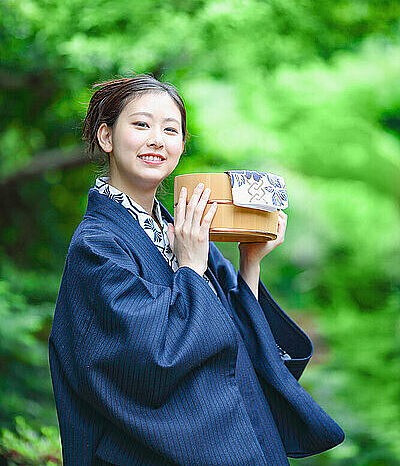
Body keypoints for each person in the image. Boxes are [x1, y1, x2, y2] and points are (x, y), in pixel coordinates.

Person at [48, 73, 345, 466]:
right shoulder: (98, 245)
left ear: (181, 145)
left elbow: (238, 343)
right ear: (106, 137)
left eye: (171, 130)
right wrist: (189, 267)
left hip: (236, 440)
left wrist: (250, 263)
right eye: (141, 124)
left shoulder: (179, 229)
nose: (157, 139)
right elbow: (150, 362)